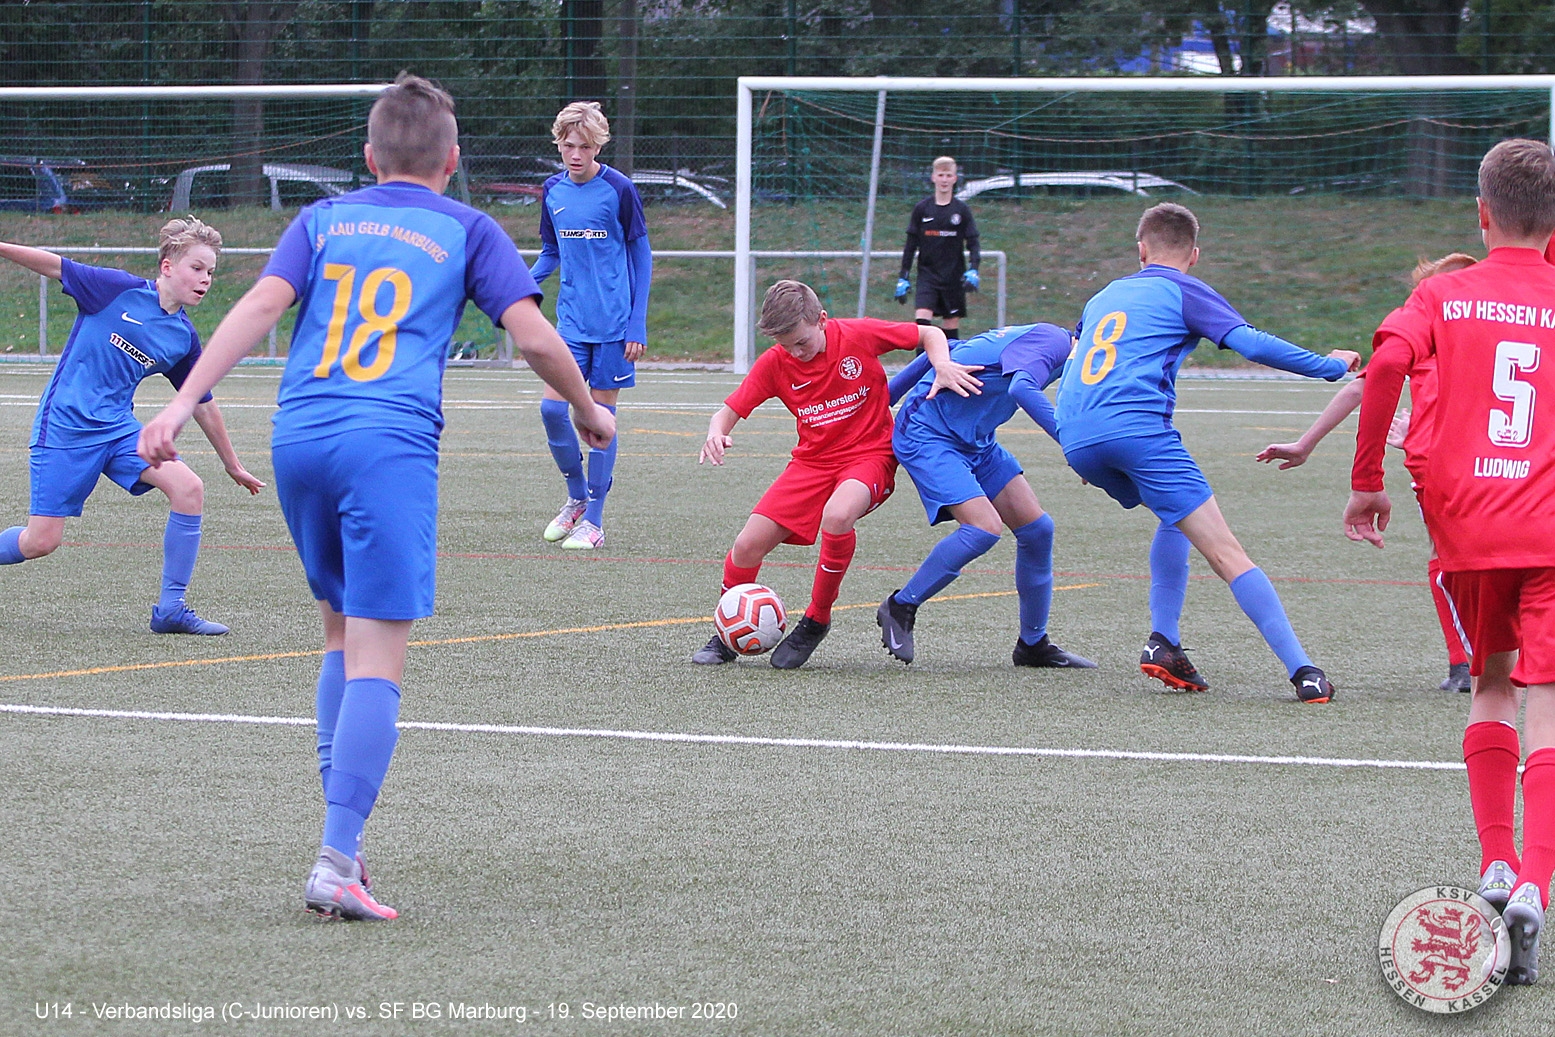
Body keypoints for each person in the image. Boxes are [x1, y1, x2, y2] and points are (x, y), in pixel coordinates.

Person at [138, 73, 615, 921]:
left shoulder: (322, 219)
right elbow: (535, 336)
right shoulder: (466, 226)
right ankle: (334, 858)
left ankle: (345, 845)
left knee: (338, 632)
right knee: (377, 654)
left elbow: (259, 306)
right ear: (452, 160)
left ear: (368, 156)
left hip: (298, 438)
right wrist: (587, 409)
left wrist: (181, 403)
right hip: (384, 446)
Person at [1344, 139, 1555, 984]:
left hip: (1468, 525)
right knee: (1548, 698)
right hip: (1549, 526)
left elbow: (1386, 363)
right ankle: (1535, 881)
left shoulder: (1441, 292)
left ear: (1480, 214)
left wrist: (1365, 481)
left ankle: (1495, 862)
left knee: (1490, 684)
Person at [1055, 201, 1358, 703]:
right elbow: (1251, 344)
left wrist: (1078, 442)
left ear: (1141, 249)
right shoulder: (1185, 289)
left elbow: (1075, 362)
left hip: (1076, 434)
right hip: (1137, 431)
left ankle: (1165, 641)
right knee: (1226, 552)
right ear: (1194, 255)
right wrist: (1329, 366)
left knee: (1174, 518)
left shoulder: (1103, 296)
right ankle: (1304, 672)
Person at [693, 279, 980, 669]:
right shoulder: (776, 362)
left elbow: (929, 333)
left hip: (870, 455)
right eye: (786, 345)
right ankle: (727, 635)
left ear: (823, 320)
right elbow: (727, 412)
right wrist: (716, 432)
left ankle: (816, 619)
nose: (796, 352)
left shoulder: (859, 335)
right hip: (811, 463)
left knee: (838, 515)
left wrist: (942, 364)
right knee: (746, 546)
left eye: (802, 342)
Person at [0, 219, 262, 634]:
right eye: (197, 268)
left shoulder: (181, 338)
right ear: (167, 266)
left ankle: (171, 609)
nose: (206, 279)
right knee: (40, 542)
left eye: (211, 272)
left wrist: (232, 464)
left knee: (189, 488)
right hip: (66, 427)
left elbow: (202, 403)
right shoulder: (114, 289)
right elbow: (53, 265)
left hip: (119, 431)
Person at [1257, 253, 1477, 693]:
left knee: (1452, 560)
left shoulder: (1431, 329)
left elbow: (1372, 381)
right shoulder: (1475, 328)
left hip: (1446, 462)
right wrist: (1306, 442)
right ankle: (1481, 661)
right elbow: (1365, 386)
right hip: (1501, 461)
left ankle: (1469, 664)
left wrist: (1420, 436)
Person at [877, 323, 1095, 669]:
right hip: (927, 435)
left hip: (976, 442)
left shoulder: (1052, 346)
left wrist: (886, 397)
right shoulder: (1054, 341)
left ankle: (1033, 645)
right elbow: (1022, 387)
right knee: (983, 528)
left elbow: (954, 347)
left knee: (1038, 531)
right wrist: (1072, 444)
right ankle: (901, 605)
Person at [529, 101, 651, 551]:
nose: (575, 154)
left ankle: (594, 521)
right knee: (551, 410)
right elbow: (551, 252)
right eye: (568, 146)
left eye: (584, 146)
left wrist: (637, 323)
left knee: (600, 419)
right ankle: (577, 496)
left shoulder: (619, 189)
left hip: (615, 329)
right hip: (571, 325)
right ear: (558, 145)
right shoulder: (553, 191)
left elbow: (641, 255)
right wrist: (516, 287)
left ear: (598, 146)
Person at [896, 156, 980, 343]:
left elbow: (973, 242)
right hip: (928, 276)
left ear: (955, 178)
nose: (944, 180)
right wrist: (903, 276)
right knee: (922, 324)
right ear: (933, 177)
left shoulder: (961, 210)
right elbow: (910, 246)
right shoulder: (922, 209)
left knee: (950, 329)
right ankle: (921, 362)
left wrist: (974, 269)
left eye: (948, 175)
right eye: (941, 175)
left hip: (953, 277)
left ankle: (949, 361)